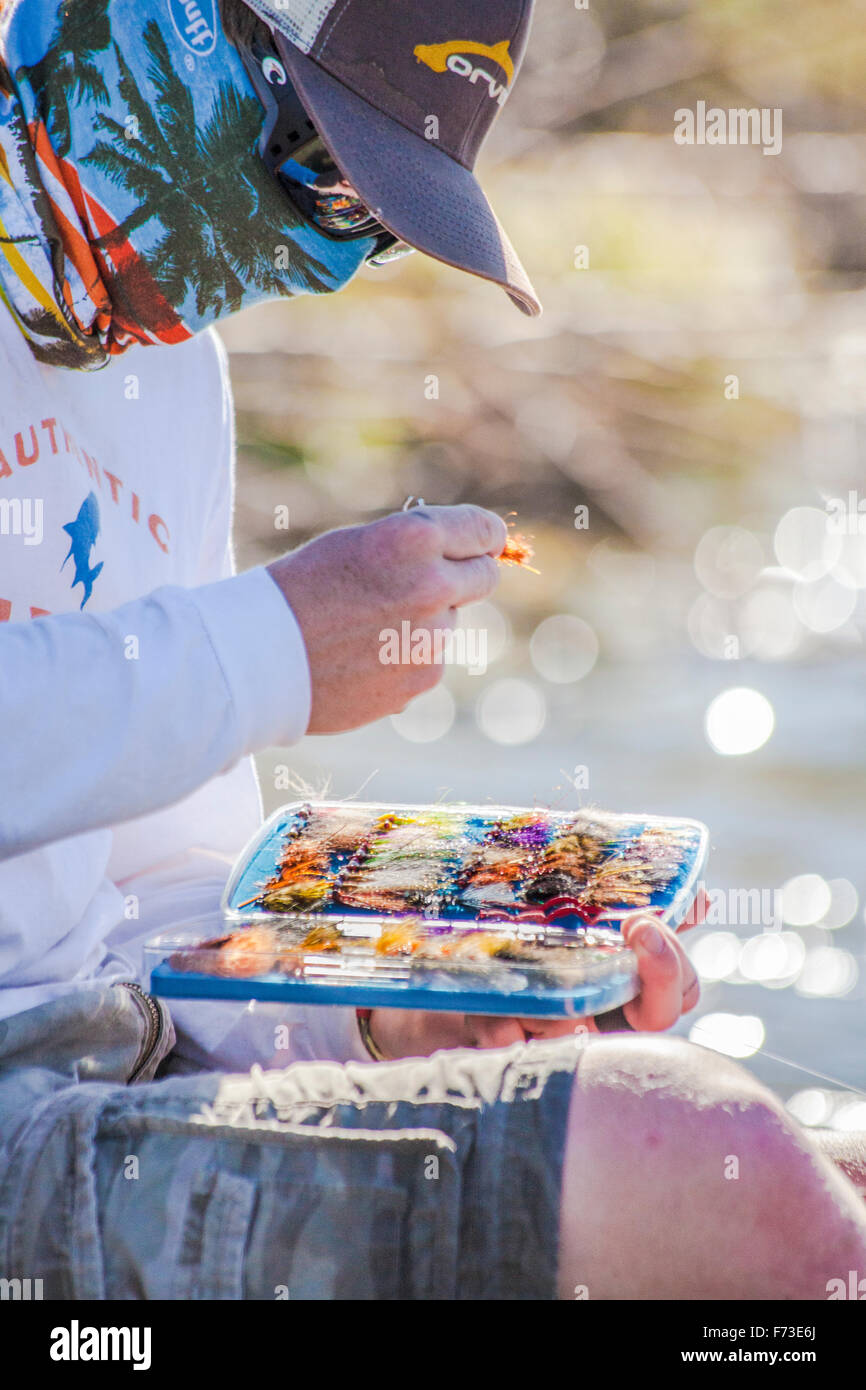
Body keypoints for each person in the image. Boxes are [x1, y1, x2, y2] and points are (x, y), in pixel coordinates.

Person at [2, 0, 864, 1301]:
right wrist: (273, 648)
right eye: (311, 168)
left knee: (819, 1175)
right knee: (700, 1153)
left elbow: (140, 908)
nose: (316, 259)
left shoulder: (167, 375)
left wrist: (386, 1005)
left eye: (365, 219)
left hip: (97, 1079)